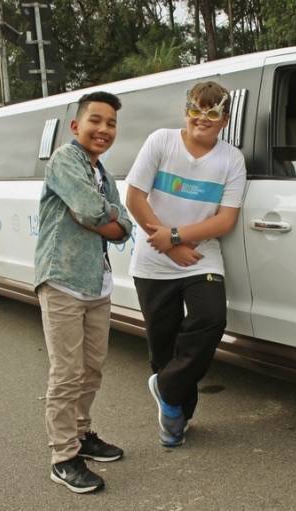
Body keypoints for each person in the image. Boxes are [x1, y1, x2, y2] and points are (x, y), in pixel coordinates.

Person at [125, 81, 247, 447]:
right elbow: (134, 197)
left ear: (225, 119)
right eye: (196, 110)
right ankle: (177, 418)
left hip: (200, 257)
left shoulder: (231, 160)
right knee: (164, 347)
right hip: (153, 261)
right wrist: (167, 242)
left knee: (211, 320)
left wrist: (176, 237)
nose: (202, 119)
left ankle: (164, 388)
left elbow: (225, 220)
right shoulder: (161, 141)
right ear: (186, 112)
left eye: (212, 113)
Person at [34, 91, 133, 493]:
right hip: (62, 279)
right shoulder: (64, 161)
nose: (104, 129)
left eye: (111, 123)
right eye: (96, 120)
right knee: (67, 373)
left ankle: (82, 434)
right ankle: (63, 456)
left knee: (92, 368)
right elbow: (94, 212)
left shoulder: (101, 173)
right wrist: (105, 216)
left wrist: (107, 217)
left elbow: (124, 224)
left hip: (97, 281)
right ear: (77, 126)